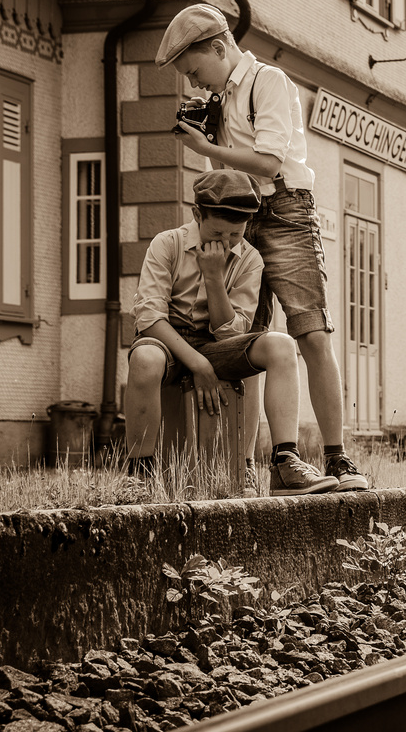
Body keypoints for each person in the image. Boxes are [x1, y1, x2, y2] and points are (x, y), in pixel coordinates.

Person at [157, 4, 369, 493]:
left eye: (195, 71)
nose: (194, 84)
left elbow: (270, 162)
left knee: (310, 333)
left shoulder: (267, 81)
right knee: (246, 343)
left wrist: (206, 149)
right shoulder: (219, 98)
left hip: (286, 213)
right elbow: (230, 174)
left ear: (219, 46)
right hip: (241, 217)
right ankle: (257, 466)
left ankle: (336, 459)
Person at [123, 169, 334, 494]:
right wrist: (198, 365)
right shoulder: (168, 244)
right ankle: (139, 477)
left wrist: (213, 277)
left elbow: (231, 333)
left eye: (236, 234)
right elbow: (149, 319)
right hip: (166, 342)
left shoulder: (250, 259)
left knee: (281, 345)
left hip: (215, 346)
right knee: (145, 358)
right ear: (197, 214)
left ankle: (284, 463)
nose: (226, 241)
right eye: (218, 231)